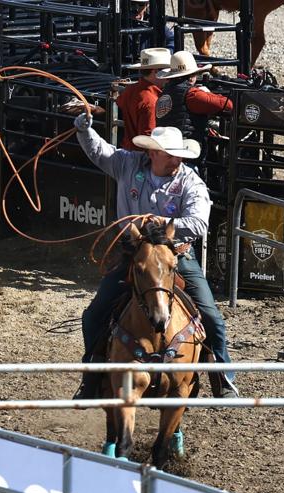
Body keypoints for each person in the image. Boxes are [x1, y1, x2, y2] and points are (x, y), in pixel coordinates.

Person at [67, 113, 240, 399]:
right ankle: (92, 376)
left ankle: (223, 379)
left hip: (175, 257)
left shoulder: (190, 182)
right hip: (134, 256)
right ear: (154, 153)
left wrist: (159, 222)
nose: (177, 161)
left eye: (178, 155)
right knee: (94, 315)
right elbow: (100, 151)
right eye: (171, 155)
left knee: (211, 317)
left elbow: (199, 223)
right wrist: (84, 130)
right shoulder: (128, 164)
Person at [114, 47, 172, 141]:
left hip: (128, 148)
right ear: (156, 71)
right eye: (167, 71)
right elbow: (148, 136)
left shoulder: (129, 89)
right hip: (143, 152)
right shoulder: (151, 100)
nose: (169, 76)